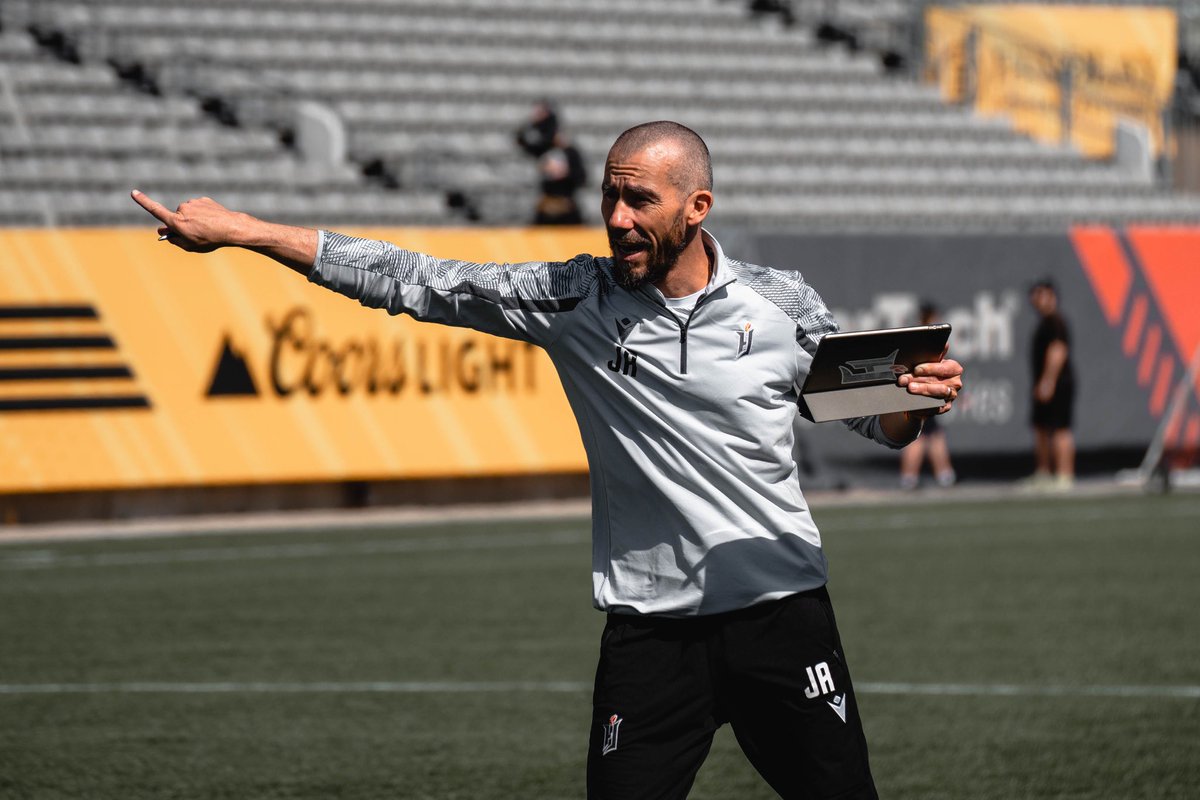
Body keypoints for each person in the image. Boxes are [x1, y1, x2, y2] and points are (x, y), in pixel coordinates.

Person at [132, 120, 963, 800]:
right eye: (610, 195)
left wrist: (914, 400)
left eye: (640, 198)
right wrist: (246, 232)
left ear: (697, 205)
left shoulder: (781, 302)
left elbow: (873, 425)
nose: (617, 217)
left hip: (783, 615)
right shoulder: (574, 298)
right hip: (651, 637)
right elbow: (414, 278)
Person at [899, 302, 957, 490]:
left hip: (922, 391)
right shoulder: (925, 338)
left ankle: (942, 475)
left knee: (931, 434)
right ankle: (913, 477)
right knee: (921, 435)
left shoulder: (923, 336)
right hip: (921, 391)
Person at [1026, 278, 1075, 490]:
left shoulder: (1055, 321)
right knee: (1042, 429)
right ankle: (1044, 473)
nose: (1036, 299)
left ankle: (1064, 476)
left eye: (1041, 294)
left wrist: (1048, 381)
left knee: (1060, 429)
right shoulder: (1045, 322)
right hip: (1045, 383)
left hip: (1058, 383)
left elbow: (1058, 351)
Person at [515, 101, 588, 225]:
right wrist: (533, 122)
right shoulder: (542, 149)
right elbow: (520, 139)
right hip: (546, 207)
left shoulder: (570, 151)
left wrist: (565, 173)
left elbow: (582, 178)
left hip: (567, 207)